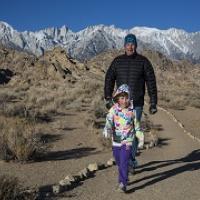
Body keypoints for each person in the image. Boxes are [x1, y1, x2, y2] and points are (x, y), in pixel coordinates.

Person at [104, 33, 158, 171]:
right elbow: (109, 78)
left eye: (132, 44)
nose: (130, 47)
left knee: (132, 132)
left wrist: (153, 102)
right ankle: (127, 159)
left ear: (136, 45)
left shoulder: (143, 61)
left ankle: (130, 160)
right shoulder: (117, 61)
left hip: (136, 104)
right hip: (120, 105)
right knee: (121, 132)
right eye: (128, 44)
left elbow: (151, 82)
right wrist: (107, 97)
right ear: (124, 46)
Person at [103, 84, 135, 192]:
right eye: (122, 98)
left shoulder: (132, 110)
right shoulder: (114, 109)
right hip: (116, 140)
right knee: (118, 159)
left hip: (127, 140)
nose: (124, 100)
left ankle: (122, 183)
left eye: (126, 97)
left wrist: (139, 134)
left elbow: (137, 124)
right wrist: (107, 129)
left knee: (124, 161)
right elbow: (109, 119)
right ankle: (126, 172)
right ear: (117, 98)